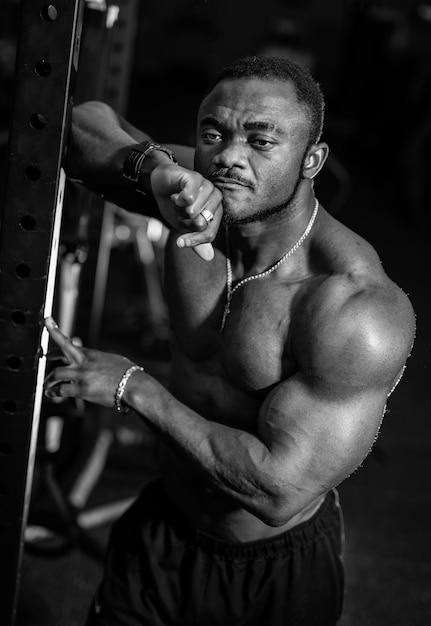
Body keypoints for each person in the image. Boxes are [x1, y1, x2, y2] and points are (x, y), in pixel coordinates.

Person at [44, 55, 415, 625]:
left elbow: (276, 492)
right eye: (213, 134)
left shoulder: (352, 308)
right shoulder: (195, 198)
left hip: (269, 573)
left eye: (261, 141)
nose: (228, 158)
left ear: (311, 160)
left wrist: (134, 388)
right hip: (165, 528)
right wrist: (153, 173)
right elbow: (73, 126)